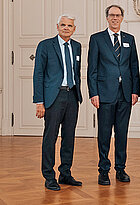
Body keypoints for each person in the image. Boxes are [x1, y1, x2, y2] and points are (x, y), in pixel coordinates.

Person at [87, 5, 140, 185]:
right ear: (107, 18)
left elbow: (134, 67)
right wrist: (93, 93)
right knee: (104, 133)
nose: (115, 18)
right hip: (104, 94)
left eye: (118, 15)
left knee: (122, 133)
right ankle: (103, 170)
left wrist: (135, 91)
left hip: (125, 94)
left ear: (122, 18)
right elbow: (92, 69)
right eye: (112, 15)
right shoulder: (97, 39)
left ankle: (120, 169)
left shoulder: (129, 39)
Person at [33, 14, 83, 191]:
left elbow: (76, 73)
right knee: (50, 137)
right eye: (63, 25)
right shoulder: (45, 45)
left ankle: (65, 173)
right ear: (57, 26)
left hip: (72, 96)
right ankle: (49, 176)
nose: (66, 28)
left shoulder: (77, 46)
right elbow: (38, 74)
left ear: (74, 29)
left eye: (69, 26)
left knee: (69, 137)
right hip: (53, 98)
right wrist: (39, 101)